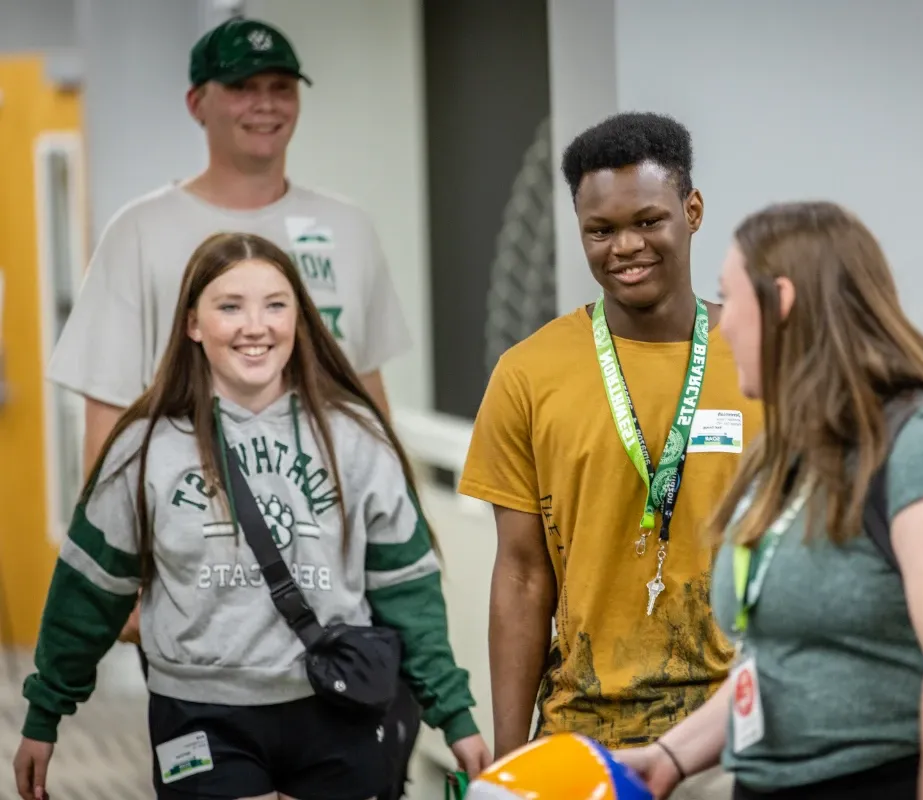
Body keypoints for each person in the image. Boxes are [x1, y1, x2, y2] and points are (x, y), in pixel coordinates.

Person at [13, 232, 491, 800]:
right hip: (201, 714)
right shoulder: (143, 449)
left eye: (275, 304)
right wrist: (45, 712)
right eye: (230, 306)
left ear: (299, 318)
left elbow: (406, 589)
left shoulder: (355, 439)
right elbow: (90, 588)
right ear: (193, 323)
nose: (255, 325)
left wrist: (454, 713)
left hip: (336, 706)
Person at [615, 201, 923, 799]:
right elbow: (783, 659)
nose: (723, 324)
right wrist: (670, 755)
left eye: (731, 298)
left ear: (783, 300)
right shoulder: (791, 452)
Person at [48, 15, 410, 648]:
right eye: (243, 87)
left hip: (333, 572)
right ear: (198, 102)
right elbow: (107, 413)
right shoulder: (140, 231)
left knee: (353, 734)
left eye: (280, 86)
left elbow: (369, 399)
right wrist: (121, 577)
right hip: (198, 573)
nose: (265, 104)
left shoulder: (348, 228)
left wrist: (408, 538)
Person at [457, 112, 762, 799]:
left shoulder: (760, 360)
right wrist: (514, 762)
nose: (625, 246)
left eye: (648, 221)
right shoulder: (529, 373)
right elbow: (523, 576)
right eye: (601, 230)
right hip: (583, 736)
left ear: (693, 210)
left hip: (735, 731)